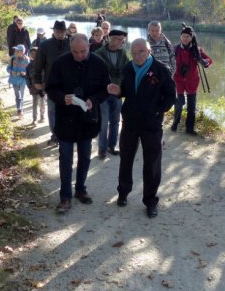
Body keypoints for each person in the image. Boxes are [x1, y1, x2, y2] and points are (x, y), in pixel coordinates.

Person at [107, 38, 176, 218]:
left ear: (149, 51)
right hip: (130, 122)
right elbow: (126, 91)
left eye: (141, 52)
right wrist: (119, 92)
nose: (137, 56)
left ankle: (150, 201)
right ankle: (123, 192)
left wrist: (157, 111)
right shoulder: (128, 68)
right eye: (134, 53)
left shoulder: (161, 70)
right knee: (126, 159)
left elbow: (171, 96)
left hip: (152, 125)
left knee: (152, 164)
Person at [46, 34, 110, 214]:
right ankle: (65, 197)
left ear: (89, 47)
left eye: (83, 52)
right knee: (65, 158)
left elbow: (105, 90)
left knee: (85, 156)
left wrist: (93, 100)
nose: (80, 55)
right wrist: (62, 98)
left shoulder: (98, 63)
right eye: (75, 52)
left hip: (88, 119)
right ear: (70, 48)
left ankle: (81, 189)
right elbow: (50, 89)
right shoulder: (60, 63)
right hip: (66, 118)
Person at [33, 20, 71, 145]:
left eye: (62, 31)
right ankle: (55, 135)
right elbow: (38, 64)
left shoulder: (71, 43)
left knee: (68, 109)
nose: (60, 34)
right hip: (51, 83)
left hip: (69, 83)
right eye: (57, 31)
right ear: (53, 31)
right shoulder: (45, 45)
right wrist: (37, 81)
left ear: (66, 31)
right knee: (53, 110)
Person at [94, 29, 130, 159]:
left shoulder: (123, 53)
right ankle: (102, 149)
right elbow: (95, 74)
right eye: (119, 39)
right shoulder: (98, 53)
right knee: (103, 122)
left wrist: (120, 85)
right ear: (111, 38)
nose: (121, 42)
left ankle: (112, 145)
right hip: (103, 93)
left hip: (117, 93)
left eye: (122, 40)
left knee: (115, 121)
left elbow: (127, 70)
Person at [171, 25, 213, 135]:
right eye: (183, 36)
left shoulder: (197, 50)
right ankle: (175, 123)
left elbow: (209, 60)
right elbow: (168, 63)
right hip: (178, 81)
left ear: (191, 38)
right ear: (180, 37)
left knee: (191, 107)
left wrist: (201, 60)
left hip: (192, 82)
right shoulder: (175, 49)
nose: (185, 38)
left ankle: (189, 129)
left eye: (188, 37)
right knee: (179, 104)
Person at [6, 44, 30, 119]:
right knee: (17, 95)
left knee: (21, 96)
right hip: (14, 79)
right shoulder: (13, 58)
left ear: (22, 52)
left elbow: (29, 71)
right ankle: (19, 109)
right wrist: (11, 72)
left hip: (23, 80)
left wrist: (25, 73)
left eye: (17, 50)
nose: (15, 51)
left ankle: (20, 109)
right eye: (15, 50)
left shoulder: (27, 60)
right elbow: (8, 68)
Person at [25, 46, 45, 125]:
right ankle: (34, 119)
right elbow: (27, 78)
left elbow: (46, 75)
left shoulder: (44, 64)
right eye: (32, 53)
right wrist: (30, 86)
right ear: (30, 55)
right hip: (33, 88)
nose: (33, 55)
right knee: (35, 103)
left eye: (35, 53)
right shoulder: (28, 66)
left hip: (43, 88)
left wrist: (44, 85)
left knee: (42, 102)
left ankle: (42, 116)